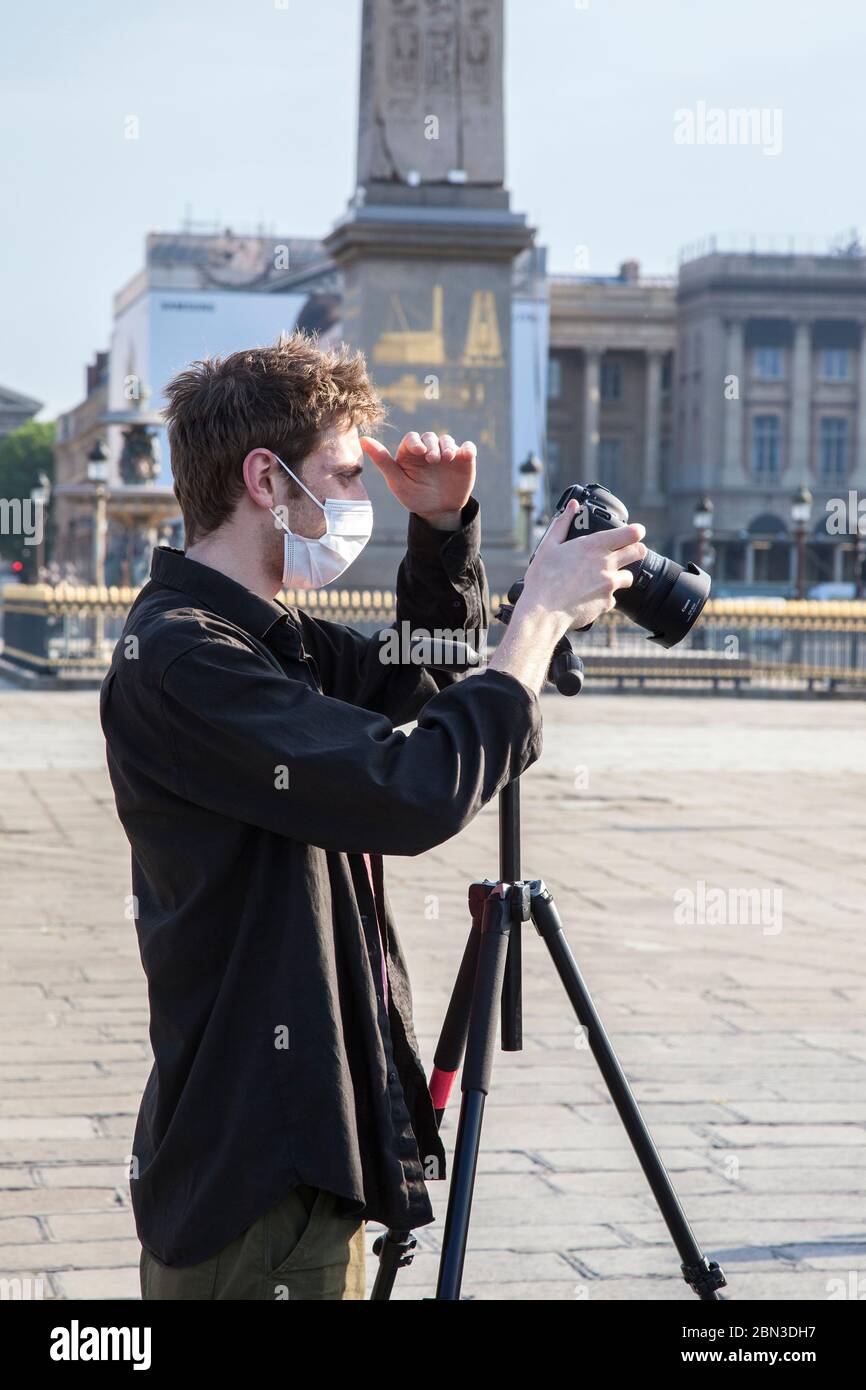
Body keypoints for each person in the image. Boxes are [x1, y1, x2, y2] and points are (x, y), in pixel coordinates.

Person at [99, 333, 646, 1301]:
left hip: (302, 1159)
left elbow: (414, 679)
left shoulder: (266, 637)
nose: (357, 502)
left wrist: (440, 536)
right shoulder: (186, 659)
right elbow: (407, 785)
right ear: (265, 480)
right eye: (343, 476)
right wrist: (536, 625)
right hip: (257, 1182)